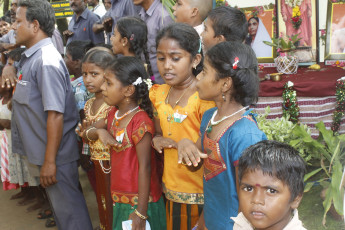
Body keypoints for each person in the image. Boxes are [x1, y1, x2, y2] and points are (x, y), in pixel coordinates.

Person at [11, 0, 92, 229]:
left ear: (35, 25)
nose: (14, 27)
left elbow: (55, 115)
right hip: (49, 155)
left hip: (56, 158)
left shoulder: (46, 61)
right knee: (63, 214)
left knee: (71, 216)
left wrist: (49, 163)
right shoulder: (33, 57)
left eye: (18, 21)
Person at [178, 41, 267, 229]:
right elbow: (198, 165)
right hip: (210, 221)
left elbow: (252, 200)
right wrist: (185, 145)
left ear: (225, 83)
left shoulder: (244, 135)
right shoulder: (210, 117)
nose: (198, 78)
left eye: (204, 72)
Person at [78, 56, 166, 229]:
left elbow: (145, 168)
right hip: (119, 197)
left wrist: (140, 212)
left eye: (108, 83)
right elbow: (85, 132)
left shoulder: (140, 122)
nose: (102, 88)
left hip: (142, 202)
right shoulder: (112, 114)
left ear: (128, 90)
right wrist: (99, 131)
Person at [150, 23, 215, 229]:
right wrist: (157, 139)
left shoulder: (203, 98)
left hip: (198, 192)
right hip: (170, 187)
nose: (167, 65)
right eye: (161, 58)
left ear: (195, 60)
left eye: (175, 58)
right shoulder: (159, 93)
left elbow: (204, 153)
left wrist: (188, 147)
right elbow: (159, 131)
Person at [232, 140, 306, 230]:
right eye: (248, 188)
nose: (256, 200)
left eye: (271, 191)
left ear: (296, 199)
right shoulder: (241, 224)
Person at [81, 49, 114, 230]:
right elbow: (87, 133)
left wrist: (88, 132)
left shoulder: (112, 104)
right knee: (102, 201)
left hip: (113, 163)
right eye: (85, 74)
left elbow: (91, 131)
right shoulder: (88, 104)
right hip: (97, 163)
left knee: (112, 202)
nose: (88, 79)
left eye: (94, 74)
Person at [135, 0, 174, 84]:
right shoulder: (141, 14)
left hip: (163, 81)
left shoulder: (163, 16)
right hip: (149, 79)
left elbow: (171, 52)